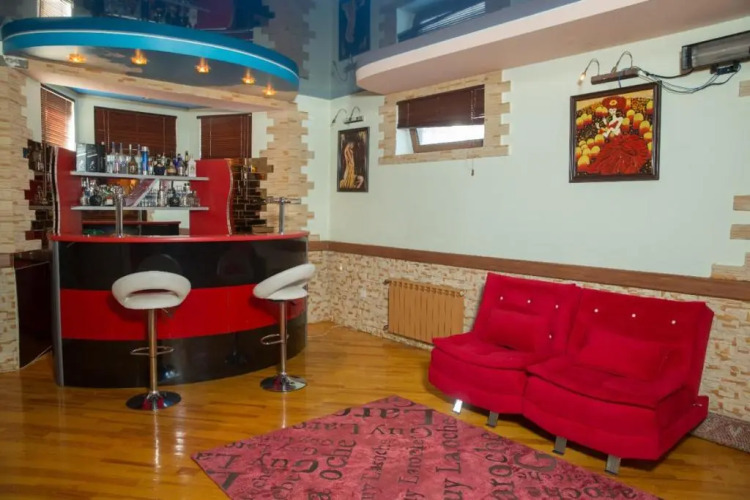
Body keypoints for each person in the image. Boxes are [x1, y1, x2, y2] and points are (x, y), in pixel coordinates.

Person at [592, 96, 650, 175]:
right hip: (613, 141)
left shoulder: (619, 119)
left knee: (624, 154)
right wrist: (600, 127)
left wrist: (608, 130)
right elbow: (607, 129)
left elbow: (616, 130)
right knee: (608, 157)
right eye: (610, 110)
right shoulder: (609, 120)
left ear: (616, 110)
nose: (612, 111)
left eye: (613, 109)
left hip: (620, 138)